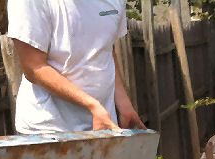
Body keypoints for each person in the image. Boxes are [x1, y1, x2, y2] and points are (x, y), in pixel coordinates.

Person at [7, 0, 145, 134]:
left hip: (103, 124)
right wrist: (92, 105)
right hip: (48, 129)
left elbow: (104, 50)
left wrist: (124, 105)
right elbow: (34, 68)